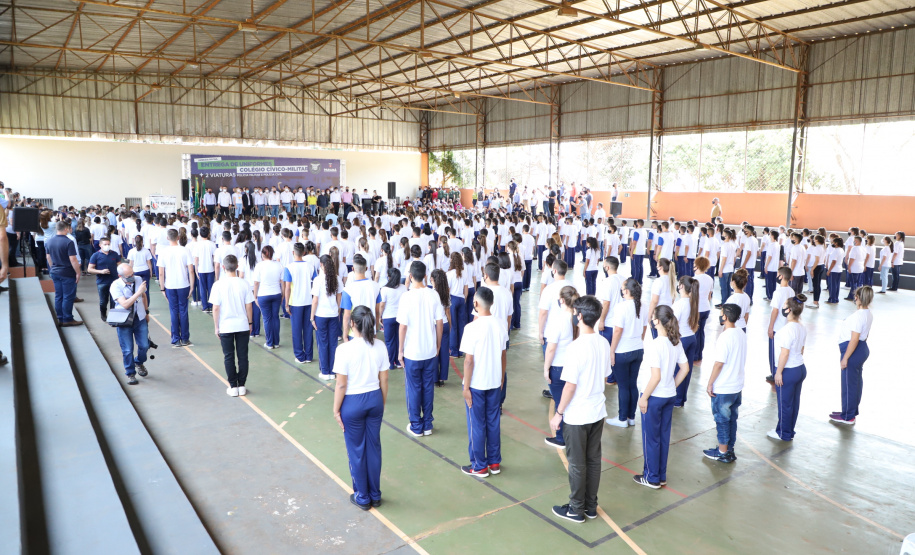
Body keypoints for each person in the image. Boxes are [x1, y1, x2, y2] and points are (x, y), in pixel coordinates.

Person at [549, 296, 611, 523]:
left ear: (581, 316)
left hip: (577, 415)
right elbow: (604, 375)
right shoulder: (603, 342)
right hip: (597, 411)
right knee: (593, 460)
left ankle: (576, 509)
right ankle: (591, 506)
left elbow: (570, 385)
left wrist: (558, 414)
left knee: (576, 463)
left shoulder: (575, 347)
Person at [332, 305, 389, 510]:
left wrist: (336, 409)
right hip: (374, 399)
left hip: (352, 403)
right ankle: (375, 494)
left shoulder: (344, 349)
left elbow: (341, 384)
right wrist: (380, 403)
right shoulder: (380, 346)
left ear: (352, 324)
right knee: (373, 448)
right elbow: (384, 380)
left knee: (356, 451)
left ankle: (362, 496)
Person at [634, 305, 690, 489]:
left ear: (657, 321)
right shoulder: (676, 342)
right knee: (663, 437)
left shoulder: (655, 345)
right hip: (668, 396)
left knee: (651, 438)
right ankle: (661, 475)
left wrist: (644, 398)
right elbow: (685, 368)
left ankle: (651, 477)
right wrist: (672, 385)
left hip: (654, 396)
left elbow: (655, 377)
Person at [459, 286, 509, 477]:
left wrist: (466, 388)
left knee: (477, 424)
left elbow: (469, 361)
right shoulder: (500, 324)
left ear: (476, 303)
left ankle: (479, 465)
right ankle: (494, 462)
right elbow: (503, 355)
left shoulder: (471, 328)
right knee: (493, 422)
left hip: (477, 384)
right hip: (495, 382)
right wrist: (502, 377)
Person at [397, 261, 445, 437]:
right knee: (428, 388)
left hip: (412, 352)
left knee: (413, 388)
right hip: (429, 351)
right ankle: (427, 424)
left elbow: (403, 326)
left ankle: (416, 425)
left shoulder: (406, 297)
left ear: (410, 276)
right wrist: (438, 344)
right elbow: (440, 323)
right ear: (425, 275)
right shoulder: (433, 295)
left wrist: (400, 351)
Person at [703, 303, 746, 463]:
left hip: (724, 387)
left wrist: (710, 383)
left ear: (725, 317)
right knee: (732, 419)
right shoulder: (741, 333)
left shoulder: (725, 337)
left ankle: (722, 452)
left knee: (721, 420)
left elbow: (719, 364)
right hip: (737, 385)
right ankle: (729, 449)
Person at [210, 255, 254, 397]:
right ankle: (242, 385)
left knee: (228, 356)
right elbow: (249, 306)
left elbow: (215, 308)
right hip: (242, 325)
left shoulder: (218, 285)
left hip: (226, 326)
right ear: (237, 267)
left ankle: (233, 386)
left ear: (223, 267)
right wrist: (250, 323)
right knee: (243, 356)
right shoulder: (244, 283)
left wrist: (216, 327)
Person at [606, 278, 647, 428]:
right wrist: (639, 341)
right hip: (638, 349)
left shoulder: (621, 307)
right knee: (632, 384)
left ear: (627, 291)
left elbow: (617, 331)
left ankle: (622, 418)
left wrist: (611, 351)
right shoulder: (643, 305)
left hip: (623, 351)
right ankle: (631, 417)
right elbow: (644, 328)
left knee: (623, 386)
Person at [830, 285, 873, 425]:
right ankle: (849, 411)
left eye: (856, 296)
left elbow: (854, 339)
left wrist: (845, 358)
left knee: (849, 384)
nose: (854, 298)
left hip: (853, 351)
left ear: (860, 298)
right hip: (861, 349)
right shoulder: (868, 313)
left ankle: (848, 416)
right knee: (855, 382)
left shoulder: (858, 316)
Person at [543, 286, 579, 448]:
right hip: (571, 364)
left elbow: (551, 348)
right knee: (569, 401)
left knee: (560, 403)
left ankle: (560, 438)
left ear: (562, 300)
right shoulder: (576, 319)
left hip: (557, 367)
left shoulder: (558, 320)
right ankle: (571, 435)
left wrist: (546, 368)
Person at [769, 294, 808, 441]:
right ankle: (788, 430)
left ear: (789, 309)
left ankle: (783, 434)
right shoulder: (801, 327)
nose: (782, 308)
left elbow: (784, 354)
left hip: (788, 370)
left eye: (784, 305)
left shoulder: (786, 330)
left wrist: (778, 372)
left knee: (784, 404)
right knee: (794, 403)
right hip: (800, 367)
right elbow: (802, 349)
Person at [110, 263, 150, 385]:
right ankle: (130, 373)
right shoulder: (115, 286)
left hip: (140, 318)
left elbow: (144, 296)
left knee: (144, 345)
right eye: (128, 276)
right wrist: (138, 292)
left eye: (132, 273)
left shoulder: (138, 279)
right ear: (120, 276)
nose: (132, 277)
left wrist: (146, 312)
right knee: (127, 349)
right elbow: (126, 304)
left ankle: (139, 361)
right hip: (124, 321)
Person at [157, 228, 195, 347]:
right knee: (183, 311)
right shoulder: (185, 250)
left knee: (173, 311)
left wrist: (162, 288)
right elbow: (191, 270)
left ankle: (175, 339)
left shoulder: (163, 252)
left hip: (170, 285)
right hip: (184, 285)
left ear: (168, 238)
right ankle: (185, 339)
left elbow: (161, 272)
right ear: (178, 237)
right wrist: (192, 287)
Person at [283, 243, 318, 364]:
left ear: (293, 253)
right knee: (308, 329)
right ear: (304, 252)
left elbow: (287, 288)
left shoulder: (289, 267)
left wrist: (286, 304)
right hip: (308, 301)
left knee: (297, 330)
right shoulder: (310, 266)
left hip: (295, 302)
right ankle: (309, 355)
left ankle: (299, 355)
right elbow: (315, 283)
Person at [46, 220, 83, 326]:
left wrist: (53, 267)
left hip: (55, 272)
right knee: (68, 296)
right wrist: (78, 272)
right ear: (66, 229)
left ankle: (60, 317)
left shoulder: (49, 241)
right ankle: (67, 318)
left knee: (59, 295)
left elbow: (48, 257)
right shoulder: (68, 241)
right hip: (67, 272)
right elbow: (73, 259)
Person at [312, 255, 343, 379]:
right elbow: (339, 297)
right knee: (333, 343)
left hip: (321, 315)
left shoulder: (318, 280)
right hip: (333, 314)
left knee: (323, 343)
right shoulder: (337, 279)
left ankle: (325, 372)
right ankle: (332, 370)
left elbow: (315, 300)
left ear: (321, 265)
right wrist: (338, 310)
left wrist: (311, 317)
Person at [341, 254, 382, 342]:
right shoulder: (376, 286)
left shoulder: (348, 290)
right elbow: (377, 311)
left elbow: (346, 316)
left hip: (354, 332)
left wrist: (344, 336)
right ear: (366, 269)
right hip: (371, 330)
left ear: (352, 269)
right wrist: (375, 329)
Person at [672, 276, 699, 408]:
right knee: (686, 370)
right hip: (692, 338)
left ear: (681, 286)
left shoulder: (679, 304)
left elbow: (674, 324)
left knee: (678, 370)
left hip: (681, 339)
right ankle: (681, 399)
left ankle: (676, 399)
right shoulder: (693, 302)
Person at [252, 245, 284, 349]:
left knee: (266, 319)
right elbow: (282, 282)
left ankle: (269, 343)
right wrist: (282, 294)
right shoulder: (279, 265)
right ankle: (276, 342)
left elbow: (256, 283)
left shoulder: (259, 266)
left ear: (263, 254)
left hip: (263, 295)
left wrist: (255, 296)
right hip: (276, 294)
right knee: (275, 317)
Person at [766, 267, 794, 383]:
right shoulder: (791, 291)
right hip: (787, 325)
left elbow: (775, 311)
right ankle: (782, 370)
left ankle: (774, 372)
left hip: (778, 326)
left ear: (781, 276)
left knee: (774, 351)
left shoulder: (778, 292)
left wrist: (770, 327)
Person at [87, 236, 121, 320]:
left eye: (108, 244)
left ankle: (113, 316)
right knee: (103, 301)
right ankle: (103, 314)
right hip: (102, 282)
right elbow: (89, 269)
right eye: (105, 244)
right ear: (100, 245)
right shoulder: (96, 255)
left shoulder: (114, 254)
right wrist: (101, 271)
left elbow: (120, 266)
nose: (107, 246)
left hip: (114, 281)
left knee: (114, 300)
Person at [429, 269, 452, 387]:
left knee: (434, 351)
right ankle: (442, 377)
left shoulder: (431, 293)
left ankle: (434, 378)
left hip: (434, 324)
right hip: (445, 324)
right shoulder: (445, 292)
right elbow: (448, 311)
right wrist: (450, 324)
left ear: (432, 280)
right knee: (444, 351)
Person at [379, 268, 405, 370]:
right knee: (399, 340)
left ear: (389, 277)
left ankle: (390, 363)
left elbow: (382, 305)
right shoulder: (403, 288)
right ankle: (399, 361)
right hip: (400, 317)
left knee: (390, 341)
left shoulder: (384, 289)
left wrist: (380, 316)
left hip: (388, 317)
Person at [446, 252, 469, 358]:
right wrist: (464, 299)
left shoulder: (449, 274)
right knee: (461, 325)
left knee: (453, 325)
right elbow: (466, 289)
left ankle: (454, 351)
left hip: (452, 299)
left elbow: (448, 290)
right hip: (461, 299)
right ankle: (461, 350)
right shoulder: (464, 272)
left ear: (451, 260)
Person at [194, 227, 217, 313]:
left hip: (201, 269)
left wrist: (196, 270)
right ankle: (211, 305)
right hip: (210, 269)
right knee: (211, 288)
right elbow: (214, 258)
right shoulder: (212, 244)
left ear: (200, 234)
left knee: (202, 288)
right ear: (208, 234)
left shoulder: (197, 245)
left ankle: (205, 306)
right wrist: (214, 268)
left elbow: (196, 259)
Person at [127, 235, 153, 307]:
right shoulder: (146, 251)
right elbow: (149, 263)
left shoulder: (131, 251)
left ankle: (136, 304)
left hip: (135, 271)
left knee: (135, 288)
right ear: (142, 241)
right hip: (145, 271)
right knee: (146, 289)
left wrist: (129, 272)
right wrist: (150, 272)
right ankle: (146, 305)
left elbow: (131, 264)